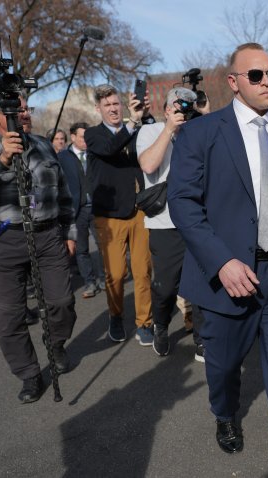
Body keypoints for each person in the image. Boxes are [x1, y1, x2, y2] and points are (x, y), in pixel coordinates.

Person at [168, 43, 268, 478]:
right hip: (228, 277)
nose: (267, 83)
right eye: (256, 75)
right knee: (223, 368)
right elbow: (183, 204)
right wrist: (221, 261)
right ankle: (224, 413)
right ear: (233, 81)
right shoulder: (201, 133)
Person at [0, 96, 78, 403]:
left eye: (25, 108)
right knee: (9, 317)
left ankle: (56, 342)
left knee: (62, 301)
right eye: (16, 110)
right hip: (1, 241)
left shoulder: (44, 145)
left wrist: (70, 232)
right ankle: (30, 374)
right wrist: (3, 158)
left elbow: (64, 193)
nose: (24, 114)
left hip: (47, 235)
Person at [136, 87, 208, 359]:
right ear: (166, 109)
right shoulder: (150, 132)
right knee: (166, 285)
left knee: (203, 281)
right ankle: (161, 325)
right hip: (165, 222)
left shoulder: (197, 131)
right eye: (178, 108)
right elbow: (148, 166)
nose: (183, 114)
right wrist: (168, 130)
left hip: (198, 219)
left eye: (188, 109)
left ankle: (202, 338)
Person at [85, 84, 155, 344]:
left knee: (143, 271)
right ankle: (116, 315)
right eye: (108, 105)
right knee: (115, 274)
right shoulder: (93, 135)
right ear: (98, 108)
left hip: (139, 211)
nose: (113, 109)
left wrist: (145, 115)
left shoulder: (136, 130)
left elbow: (156, 139)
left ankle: (144, 322)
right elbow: (110, 148)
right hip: (109, 215)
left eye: (116, 104)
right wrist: (133, 123)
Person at [57, 122, 106, 298]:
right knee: (82, 249)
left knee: (103, 246)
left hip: (98, 208)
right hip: (77, 210)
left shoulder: (94, 154)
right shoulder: (63, 157)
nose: (85, 140)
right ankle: (89, 282)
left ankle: (103, 278)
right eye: (82, 137)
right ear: (73, 137)